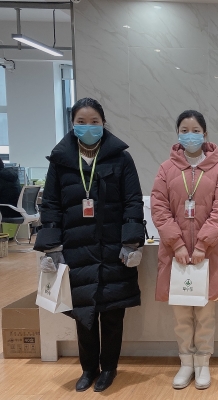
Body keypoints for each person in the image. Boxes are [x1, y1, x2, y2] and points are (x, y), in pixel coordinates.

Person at [34, 98, 145, 392]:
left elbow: (133, 201)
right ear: (72, 124)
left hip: (113, 248)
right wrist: (51, 247)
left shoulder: (121, 159)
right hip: (76, 248)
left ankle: (109, 368)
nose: (88, 127)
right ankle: (88, 369)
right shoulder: (60, 161)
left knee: (112, 312)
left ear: (103, 123)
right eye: (81, 122)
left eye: (94, 122)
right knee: (83, 313)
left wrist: (131, 242)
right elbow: (51, 205)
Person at [151, 110, 218, 390]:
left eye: (195, 130)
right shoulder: (166, 169)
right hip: (175, 254)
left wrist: (201, 245)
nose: (190, 135)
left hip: (207, 255)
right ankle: (186, 363)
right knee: (181, 313)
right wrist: (176, 244)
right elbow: (159, 208)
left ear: (205, 134)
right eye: (184, 130)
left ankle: (203, 363)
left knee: (205, 312)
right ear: (177, 134)